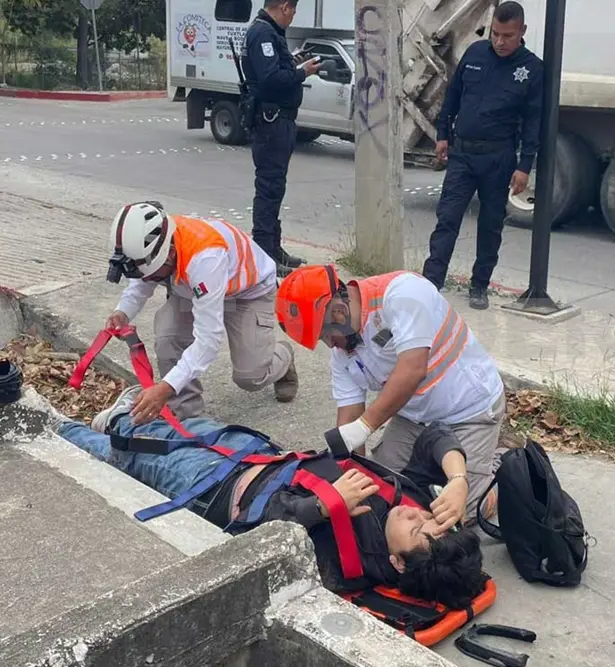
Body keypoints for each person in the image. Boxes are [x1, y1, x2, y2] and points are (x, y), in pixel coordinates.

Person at [55, 385, 489, 608]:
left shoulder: (348, 568)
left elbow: (259, 536)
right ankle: (117, 420)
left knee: (127, 456)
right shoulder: (408, 507)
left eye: (419, 531)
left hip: (215, 487)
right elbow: (435, 434)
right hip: (258, 455)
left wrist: (322, 507)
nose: (419, 517)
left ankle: (54, 427)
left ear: (397, 563)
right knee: (174, 429)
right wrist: (457, 479)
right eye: (434, 520)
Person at [275, 265, 506, 523]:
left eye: (326, 336)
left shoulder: (403, 295)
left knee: (457, 515)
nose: (330, 345)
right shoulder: (342, 356)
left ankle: (497, 470)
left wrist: (364, 427)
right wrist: (347, 473)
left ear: (339, 312)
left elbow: (413, 368)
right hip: (414, 418)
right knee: (384, 493)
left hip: (468, 410)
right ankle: (452, 467)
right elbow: (349, 419)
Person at [104, 201, 298, 423]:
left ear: (168, 255)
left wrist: (165, 387)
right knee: (168, 339)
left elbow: (208, 341)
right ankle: (188, 416)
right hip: (191, 289)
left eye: (153, 275)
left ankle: (283, 357)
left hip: (247, 295)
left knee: (250, 377)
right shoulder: (157, 239)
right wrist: (123, 313)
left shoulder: (206, 258)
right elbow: (142, 280)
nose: (149, 281)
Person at [420, 0, 544, 310]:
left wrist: (524, 166)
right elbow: (453, 96)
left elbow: (533, 122)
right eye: (496, 34)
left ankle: (479, 285)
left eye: (508, 36)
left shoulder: (531, 69)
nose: (500, 42)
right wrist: (443, 135)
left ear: (522, 32)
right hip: (462, 154)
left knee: (490, 226)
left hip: (498, 158)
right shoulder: (475, 54)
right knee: (447, 219)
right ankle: (431, 282)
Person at [243, 0, 321, 276]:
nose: (293, 17)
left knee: (275, 187)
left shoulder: (272, 32)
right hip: (271, 121)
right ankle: (264, 256)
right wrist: (303, 72)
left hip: (279, 120)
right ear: (285, 7)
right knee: (268, 188)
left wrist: (294, 63)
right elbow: (270, 80)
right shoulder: (263, 33)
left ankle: (273, 248)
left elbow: (275, 71)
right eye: (294, 11)